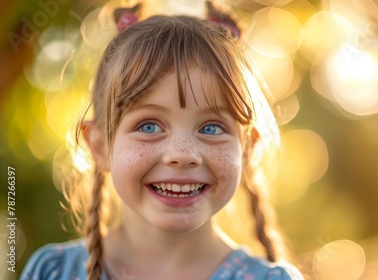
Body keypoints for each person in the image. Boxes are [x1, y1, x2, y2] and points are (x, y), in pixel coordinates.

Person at [20, 1, 303, 279]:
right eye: (149, 126)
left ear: (247, 148)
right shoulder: (53, 271)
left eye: (212, 128)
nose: (182, 154)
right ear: (99, 146)